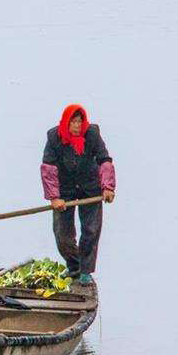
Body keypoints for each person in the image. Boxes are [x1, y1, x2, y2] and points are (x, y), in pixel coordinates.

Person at [40, 104, 115, 285]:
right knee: (62, 233)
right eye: (73, 122)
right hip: (64, 189)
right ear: (66, 123)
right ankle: (74, 266)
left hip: (90, 187)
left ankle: (86, 271)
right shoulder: (54, 137)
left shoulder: (92, 134)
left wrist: (108, 187)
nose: (77, 126)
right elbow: (48, 168)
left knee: (90, 230)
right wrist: (54, 197)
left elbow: (104, 160)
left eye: (80, 122)